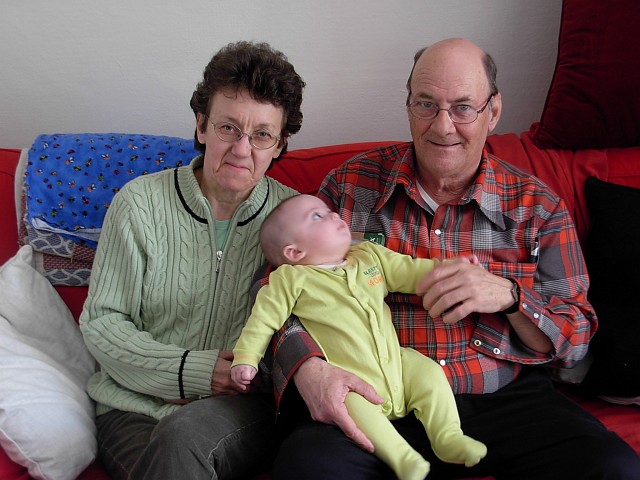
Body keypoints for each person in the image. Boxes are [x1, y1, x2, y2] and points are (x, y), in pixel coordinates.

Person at [268, 38, 640, 479]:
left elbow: (575, 338)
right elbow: (273, 290)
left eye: (463, 108)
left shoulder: (537, 207)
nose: (443, 127)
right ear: (409, 106)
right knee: (308, 468)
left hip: (505, 401)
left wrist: (511, 296)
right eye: (427, 104)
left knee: (614, 468)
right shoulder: (350, 187)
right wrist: (308, 367)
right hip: (379, 396)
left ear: (493, 111)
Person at [79, 40, 305, 480]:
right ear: (201, 125)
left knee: (181, 440)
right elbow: (103, 323)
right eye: (228, 128)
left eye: (261, 135)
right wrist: (193, 372)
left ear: (279, 145)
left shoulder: (295, 219)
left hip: (240, 411)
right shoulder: (139, 204)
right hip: (133, 407)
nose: (242, 149)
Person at [230, 193, 487, 480]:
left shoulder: (369, 256)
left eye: (328, 210)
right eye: (317, 216)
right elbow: (263, 320)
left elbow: (413, 271)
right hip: (351, 380)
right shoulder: (290, 280)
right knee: (350, 406)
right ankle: (403, 459)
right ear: (295, 252)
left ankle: (448, 438)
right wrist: (246, 358)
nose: (333, 215)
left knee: (429, 373)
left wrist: (451, 269)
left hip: (397, 364)